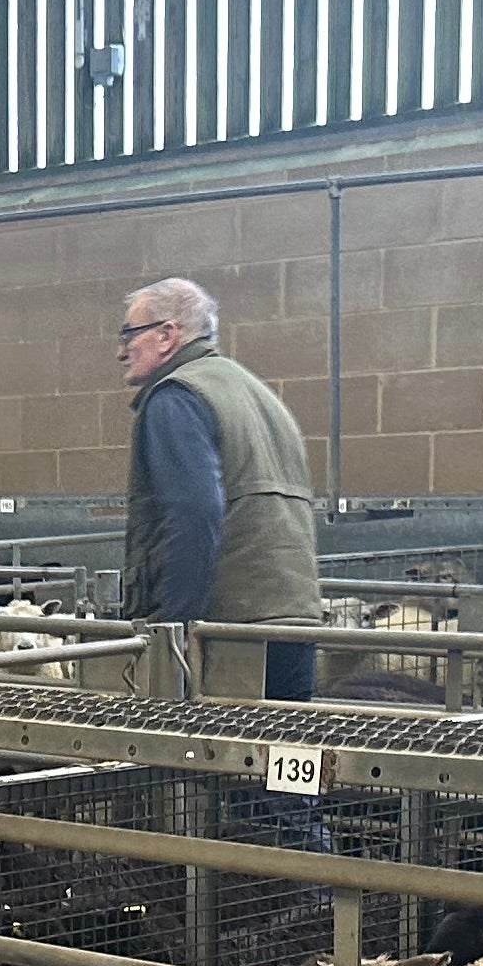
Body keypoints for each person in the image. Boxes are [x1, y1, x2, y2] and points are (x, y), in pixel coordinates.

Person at [117, 277, 320, 701]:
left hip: (229, 635)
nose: (122, 351)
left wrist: (174, 636)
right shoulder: (257, 394)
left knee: (201, 763)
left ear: (167, 335)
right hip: (293, 622)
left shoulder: (176, 398)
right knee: (275, 754)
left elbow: (195, 516)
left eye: (130, 334)